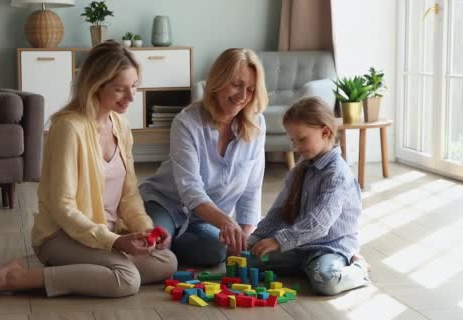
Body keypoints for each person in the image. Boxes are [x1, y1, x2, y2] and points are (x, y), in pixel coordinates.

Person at [0, 41, 177, 298]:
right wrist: (115, 242)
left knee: (167, 261)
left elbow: (129, 195)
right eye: (120, 89)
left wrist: (147, 229)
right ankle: (17, 278)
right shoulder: (68, 128)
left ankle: (88, 267)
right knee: (127, 279)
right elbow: (63, 208)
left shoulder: (121, 125)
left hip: (105, 234)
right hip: (61, 236)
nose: (131, 97)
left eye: (134, 86)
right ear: (95, 85)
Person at [139, 48, 268, 266]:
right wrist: (227, 223)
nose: (242, 96)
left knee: (215, 251)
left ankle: (173, 243)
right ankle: (162, 238)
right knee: (154, 250)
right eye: (236, 85)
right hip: (166, 204)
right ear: (218, 81)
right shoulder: (186, 123)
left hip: (207, 219)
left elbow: (251, 190)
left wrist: (245, 236)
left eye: (250, 89)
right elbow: (191, 189)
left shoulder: (257, 125)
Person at [248, 96, 370, 296]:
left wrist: (279, 241)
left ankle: (359, 268)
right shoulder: (299, 170)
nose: (296, 146)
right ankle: (306, 268)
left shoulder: (337, 174)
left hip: (330, 248)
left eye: (302, 139)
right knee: (247, 260)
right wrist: (254, 239)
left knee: (326, 281)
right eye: (293, 140)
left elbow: (320, 223)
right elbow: (278, 212)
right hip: (299, 248)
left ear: (325, 132)